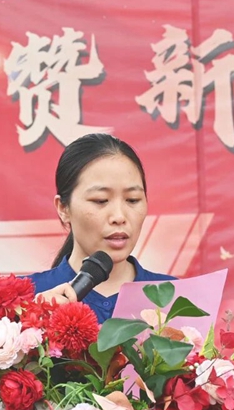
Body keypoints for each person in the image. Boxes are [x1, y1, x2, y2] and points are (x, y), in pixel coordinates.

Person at [30, 133, 173, 323]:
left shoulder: (175, 299)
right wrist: (31, 325)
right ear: (63, 208)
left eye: (132, 200)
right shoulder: (19, 300)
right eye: (100, 200)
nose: (119, 217)